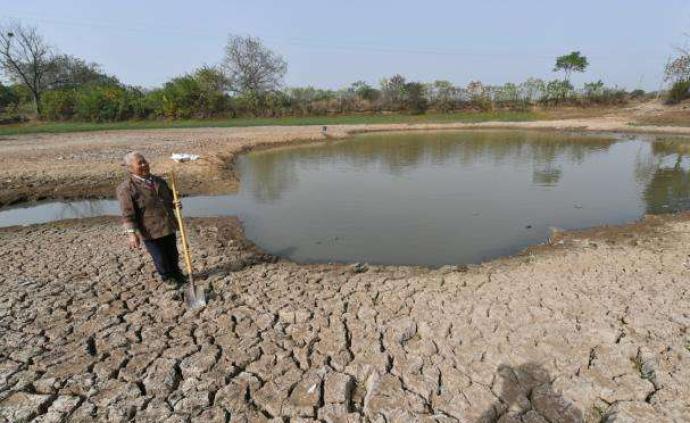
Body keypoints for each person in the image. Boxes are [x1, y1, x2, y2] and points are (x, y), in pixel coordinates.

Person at [116, 151, 185, 284]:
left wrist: (174, 203)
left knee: (173, 253)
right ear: (130, 168)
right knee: (160, 257)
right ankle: (167, 277)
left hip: (167, 224)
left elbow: (170, 198)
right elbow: (127, 213)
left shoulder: (159, 181)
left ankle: (177, 274)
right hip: (150, 230)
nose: (144, 165)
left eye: (144, 161)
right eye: (139, 163)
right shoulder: (126, 188)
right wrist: (132, 234)